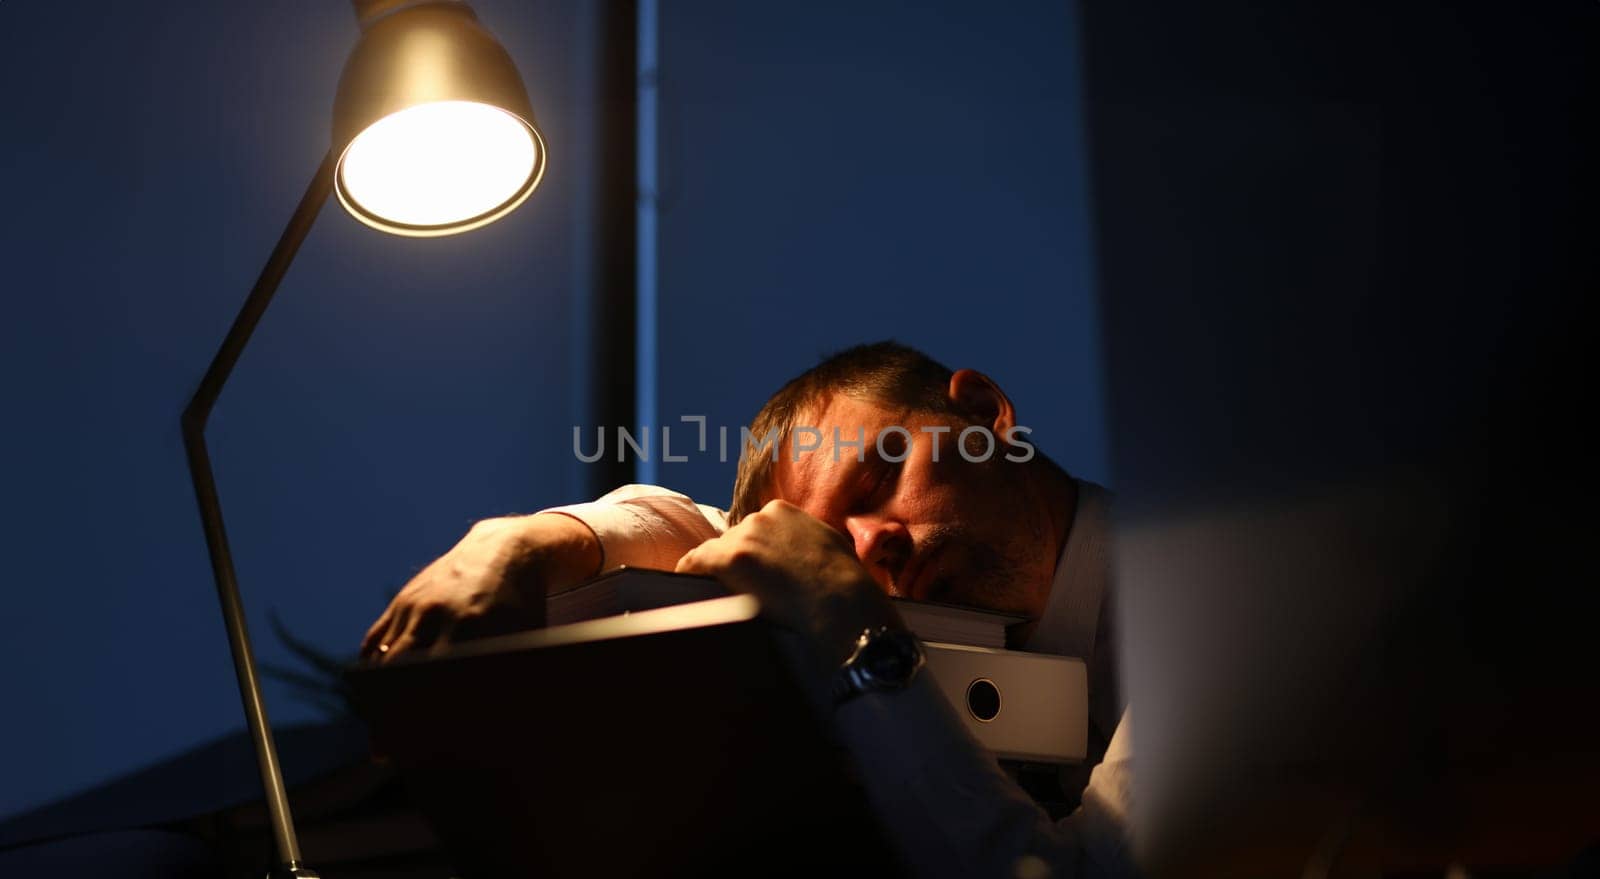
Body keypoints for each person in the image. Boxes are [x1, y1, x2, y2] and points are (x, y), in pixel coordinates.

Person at [361, 341, 1136, 877]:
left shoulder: (1212, 608)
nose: (872, 548)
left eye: (878, 480)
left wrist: (848, 619)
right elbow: (703, 531)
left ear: (984, 413)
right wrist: (511, 543)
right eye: (832, 549)